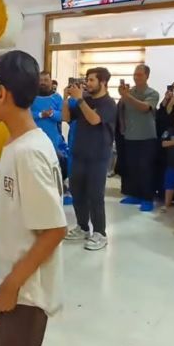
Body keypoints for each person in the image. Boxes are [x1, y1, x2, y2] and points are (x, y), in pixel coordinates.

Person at [0, 51, 66, 346]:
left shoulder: (29, 153)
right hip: (11, 284)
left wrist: (12, 285)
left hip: (25, 295)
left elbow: (54, 230)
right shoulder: (16, 144)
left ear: (2, 94)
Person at [63, 68, 117, 250]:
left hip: (98, 156)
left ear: (103, 82)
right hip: (79, 153)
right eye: (87, 79)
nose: (87, 83)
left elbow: (94, 120)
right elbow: (66, 117)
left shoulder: (109, 103)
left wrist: (79, 99)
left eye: (92, 80)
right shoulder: (85, 99)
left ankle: (100, 233)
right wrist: (66, 99)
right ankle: (83, 227)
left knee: (95, 195)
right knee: (77, 192)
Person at [119, 65, 160, 212]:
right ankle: (135, 195)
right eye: (135, 74)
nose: (136, 77)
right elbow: (122, 110)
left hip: (147, 136)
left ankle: (147, 198)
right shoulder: (129, 92)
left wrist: (127, 96)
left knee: (145, 168)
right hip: (130, 135)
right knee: (133, 167)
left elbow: (144, 108)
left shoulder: (153, 93)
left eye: (140, 75)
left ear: (147, 76)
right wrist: (122, 126)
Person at [32, 71, 67, 174]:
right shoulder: (31, 97)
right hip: (34, 139)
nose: (43, 82)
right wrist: (40, 115)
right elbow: (26, 114)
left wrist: (52, 114)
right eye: (41, 80)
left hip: (53, 140)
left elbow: (64, 116)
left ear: (51, 82)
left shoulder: (57, 97)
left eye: (46, 80)